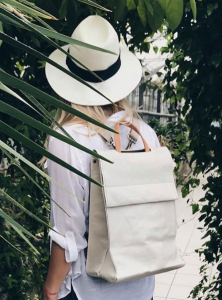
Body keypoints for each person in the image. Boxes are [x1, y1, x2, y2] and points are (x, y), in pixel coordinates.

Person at [43, 15, 160, 300]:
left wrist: (49, 291)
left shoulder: (68, 141)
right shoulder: (145, 134)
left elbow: (68, 236)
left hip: (90, 291)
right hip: (142, 287)